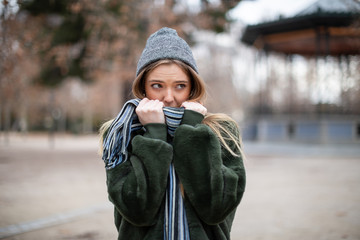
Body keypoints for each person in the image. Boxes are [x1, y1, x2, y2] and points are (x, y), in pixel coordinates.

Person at [99, 27, 246, 240]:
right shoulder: (120, 134)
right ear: (143, 88)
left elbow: (217, 209)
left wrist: (193, 132)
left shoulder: (221, 131)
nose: (168, 97)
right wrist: (154, 134)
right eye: (157, 85)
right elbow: (137, 212)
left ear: (192, 87)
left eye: (180, 86)